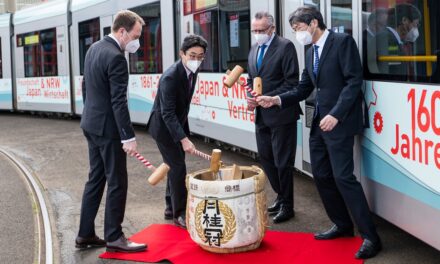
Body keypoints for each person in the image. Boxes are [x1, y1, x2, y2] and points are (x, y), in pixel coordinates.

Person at [256, 7, 381, 259]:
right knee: (321, 175)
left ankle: (370, 237)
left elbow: (353, 81)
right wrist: (276, 100)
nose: (297, 34)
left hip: (340, 121)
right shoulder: (310, 50)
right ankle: (342, 224)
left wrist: (336, 113)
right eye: (294, 30)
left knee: (343, 177)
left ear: (314, 23)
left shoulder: (341, 42)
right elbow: (304, 87)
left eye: (299, 28)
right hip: (320, 123)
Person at [76, 10, 147, 253]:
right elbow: (119, 101)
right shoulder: (117, 57)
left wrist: (90, 115)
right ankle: (115, 237)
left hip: (91, 125)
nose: (137, 41)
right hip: (108, 130)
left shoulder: (94, 48)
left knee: (95, 179)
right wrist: (128, 136)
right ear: (122, 31)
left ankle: (85, 234)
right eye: (136, 35)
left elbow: (86, 87)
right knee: (117, 181)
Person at [147, 34, 208, 229]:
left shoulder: (192, 71)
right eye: (192, 55)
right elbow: (167, 113)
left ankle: (169, 206)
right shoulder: (171, 76)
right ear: (181, 53)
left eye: (200, 56)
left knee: (173, 165)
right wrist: (183, 139)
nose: (196, 60)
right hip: (164, 128)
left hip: (178, 124)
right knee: (179, 168)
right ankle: (179, 213)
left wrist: (183, 133)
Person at [246, 11, 301, 223]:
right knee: (266, 159)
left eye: (261, 30)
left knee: (282, 161)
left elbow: (292, 82)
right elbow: (251, 79)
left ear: (272, 28)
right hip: (261, 115)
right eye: (254, 30)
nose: (257, 34)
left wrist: (271, 97)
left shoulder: (285, 47)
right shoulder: (253, 49)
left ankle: (288, 205)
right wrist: (250, 97)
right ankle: (280, 195)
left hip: (282, 114)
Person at [376, 3, 421, 79]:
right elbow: (393, 71)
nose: (416, 29)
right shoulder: (388, 40)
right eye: (415, 24)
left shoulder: (391, 38)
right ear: (404, 20)